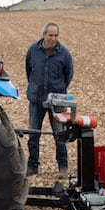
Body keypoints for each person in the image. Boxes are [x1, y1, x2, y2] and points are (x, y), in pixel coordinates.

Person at [24, 21, 74, 177]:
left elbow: (68, 75)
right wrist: (35, 87)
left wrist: (58, 90)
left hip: (56, 101)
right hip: (36, 99)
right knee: (33, 133)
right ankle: (32, 166)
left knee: (59, 134)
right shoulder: (33, 50)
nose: (53, 38)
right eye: (50, 35)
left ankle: (63, 167)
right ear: (44, 34)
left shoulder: (64, 53)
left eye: (56, 35)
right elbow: (28, 71)